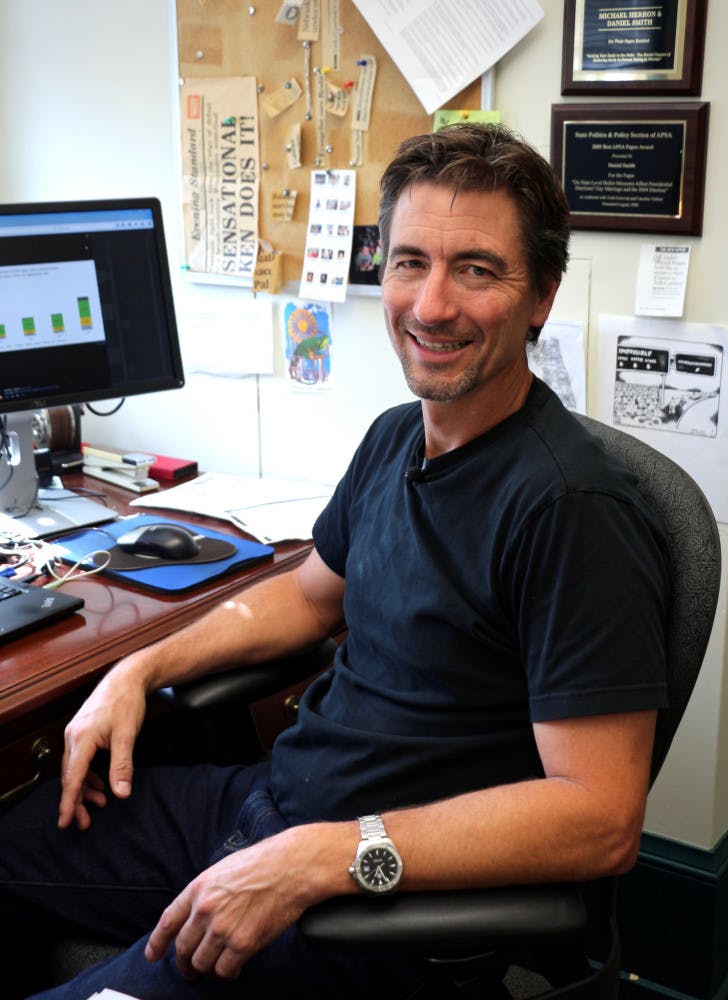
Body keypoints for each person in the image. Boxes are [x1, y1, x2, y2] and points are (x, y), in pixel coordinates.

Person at [0, 123, 670, 1000]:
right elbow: (308, 599)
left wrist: (327, 857)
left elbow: (600, 819)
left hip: (371, 909)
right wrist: (139, 668)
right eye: (409, 262)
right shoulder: (396, 438)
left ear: (540, 295)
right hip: (270, 811)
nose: (431, 305)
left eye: (476, 269)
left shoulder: (573, 511)